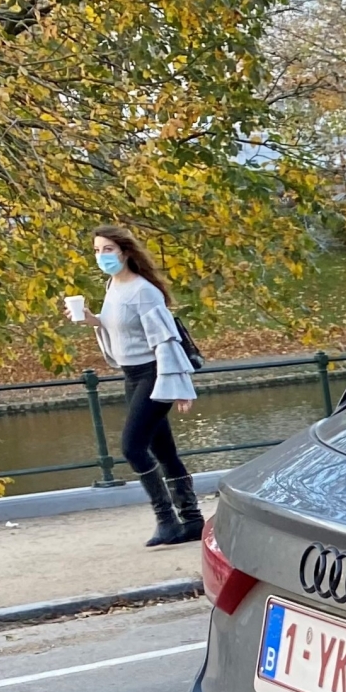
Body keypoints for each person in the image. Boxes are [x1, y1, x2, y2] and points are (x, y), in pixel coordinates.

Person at [83, 226, 201, 546]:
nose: (101, 257)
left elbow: (165, 341)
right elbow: (118, 327)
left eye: (107, 250)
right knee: (164, 450)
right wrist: (91, 319)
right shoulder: (113, 286)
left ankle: (166, 520)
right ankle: (192, 520)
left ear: (125, 251)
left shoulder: (143, 290)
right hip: (131, 374)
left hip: (152, 374)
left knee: (133, 447)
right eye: (96, 251)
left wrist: (178, 386)